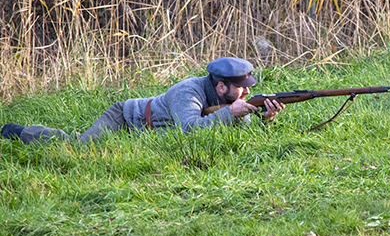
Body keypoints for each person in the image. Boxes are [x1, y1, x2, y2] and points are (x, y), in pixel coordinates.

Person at [1, 57, 285, 144]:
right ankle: (16, 132)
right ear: (221, 86)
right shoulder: (187, 91)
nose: (246, 93)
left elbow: (242, 135)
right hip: (126, 117)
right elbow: (190, 130)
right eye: (241, 88)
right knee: (78, 145)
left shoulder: (230, 99)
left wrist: (267, 121)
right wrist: (230, 113)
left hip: (147, 134)